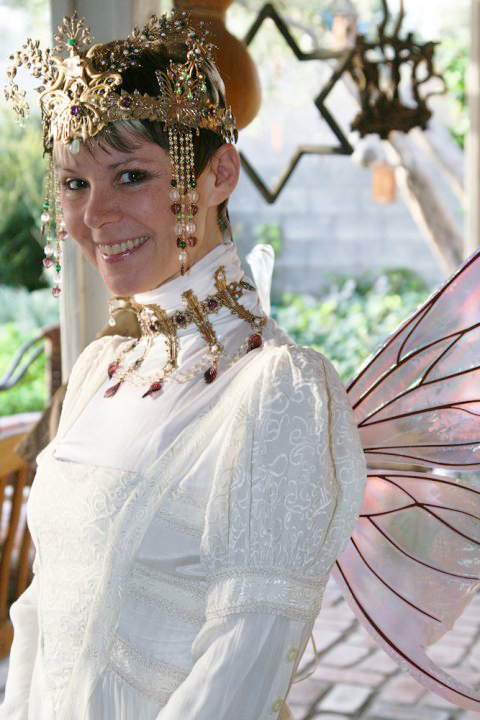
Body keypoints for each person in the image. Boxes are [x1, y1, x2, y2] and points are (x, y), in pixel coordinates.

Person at [1, 12, 367, 720]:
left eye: (130, 175)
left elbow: (242, 666)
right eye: (73, 184)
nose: (94, 215)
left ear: (219, 174)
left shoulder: (278, 390)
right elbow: (40, 615)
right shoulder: (99, 368)